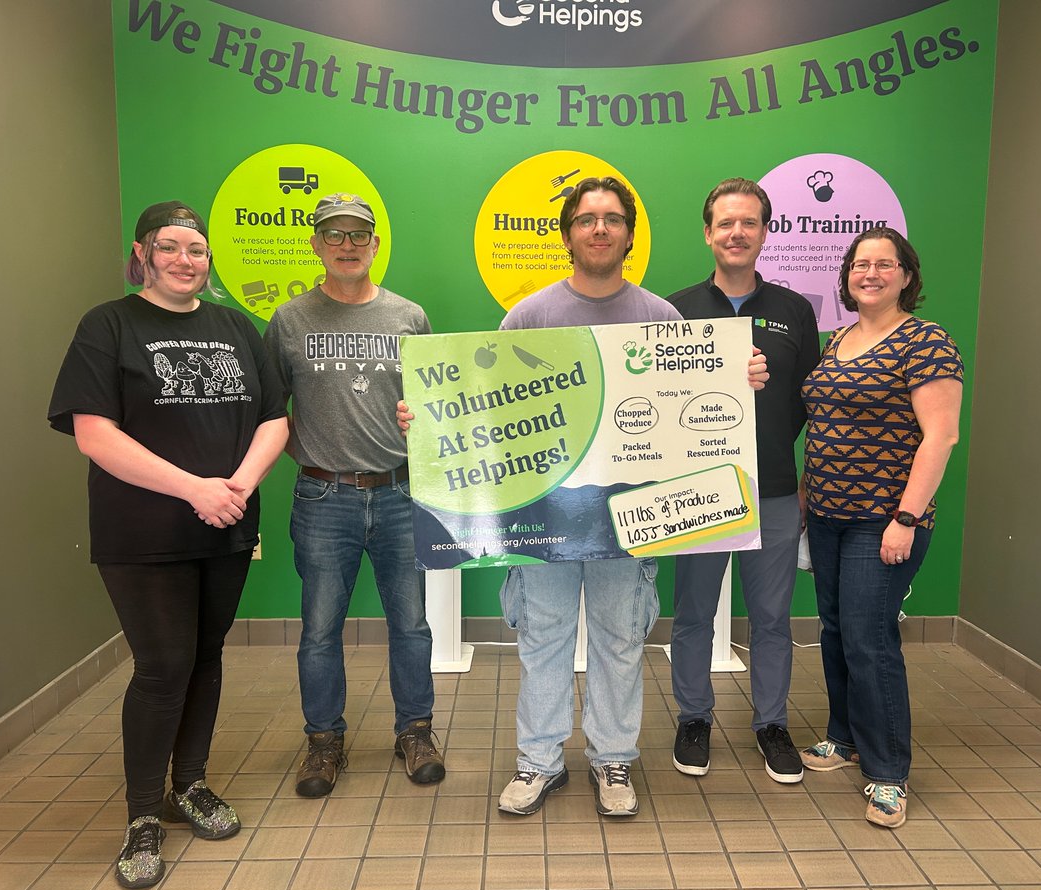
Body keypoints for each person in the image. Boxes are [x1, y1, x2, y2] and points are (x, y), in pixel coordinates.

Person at [399, 176, 768, 818]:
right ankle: (539, 762)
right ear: (568, 234)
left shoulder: (660, 318)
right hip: (546, 519)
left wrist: (739, 381)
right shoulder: (529, 316)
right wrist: (428, 419)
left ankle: (612, 759)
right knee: (542, 638)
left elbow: (690, 413)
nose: (600, 228)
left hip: (628, 520)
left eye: (613, 218)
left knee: (620, 640)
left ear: (629, 234)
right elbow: (489, 412)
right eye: (587, 219)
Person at [48, 201, 289, 889]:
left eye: (197, 249)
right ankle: (142, 816)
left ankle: (192, 785)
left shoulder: (234, 327)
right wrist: (193, 490)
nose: (185, 259)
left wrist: (236, 487)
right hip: (142, 532)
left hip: (226, 523)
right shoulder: (108, 325)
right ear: (142, 254)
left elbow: (275, 417)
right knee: (162, 666)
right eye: (170, 246)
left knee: (206, 656)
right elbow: (94, 434)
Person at [264, 193, 444, 799]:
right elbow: (269, 411)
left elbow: (434, 404)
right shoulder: (289, 321)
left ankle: (415, 732)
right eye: (334, 235)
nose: (347, 245)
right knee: (319, 629)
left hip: (399, 494)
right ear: (316, 244)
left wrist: (420, 420)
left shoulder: (409, 317)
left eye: (358, 235)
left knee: (411, 624)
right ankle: (323, 741)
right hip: (323, 499)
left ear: (375, 244)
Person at [799, 226, 962, 828]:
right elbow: (824, 425)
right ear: (846, 276)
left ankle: (889, 771)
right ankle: (843, 738)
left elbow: (941, 437)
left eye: (884, 264)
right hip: (827, 515)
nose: (870, 273)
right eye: (860, 264)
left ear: (907, 276)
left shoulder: (925, 341)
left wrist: (905, 518)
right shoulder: (839, 339)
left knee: (870, 640)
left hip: (884, 520)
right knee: (837, 630)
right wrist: (806, 499)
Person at [666, 178, 819, 783]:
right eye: (725, 223)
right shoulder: (674, 309)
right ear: (709, 233)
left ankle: (771, 724)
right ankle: (693, 718)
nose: (736, 233)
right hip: (698, 489)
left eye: (748, 223)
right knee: (693, 614)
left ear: (764, 232)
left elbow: (807, 402)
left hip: (773, 489)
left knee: (773, 617)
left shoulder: (794, 310)